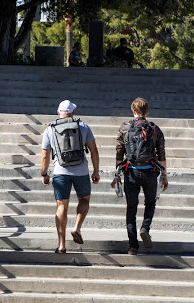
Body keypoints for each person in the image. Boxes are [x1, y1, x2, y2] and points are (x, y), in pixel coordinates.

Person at [40, 100, 100, 253]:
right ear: (73, 112)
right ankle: (77, 228)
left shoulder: (50, 129)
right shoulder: (83, 126)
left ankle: (61, 245)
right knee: (84, 200)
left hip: (60, 171)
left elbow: (45, 155)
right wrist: (96, 171)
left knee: (61, 206)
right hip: (81, 172)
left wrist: (44, 173)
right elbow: (94, 150)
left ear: (58, 112)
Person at [113, 97, 168, 255]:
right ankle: (145, 227)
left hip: (131, 172)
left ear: (133, 110)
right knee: (150, 204)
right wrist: (164, 175)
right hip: (150, 172)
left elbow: (119, 152)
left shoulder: (124, 128)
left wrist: (117, 174)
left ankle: (133, 246)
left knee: (131, 208)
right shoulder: (155, 129)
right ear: (147, 112)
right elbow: (161, 154)